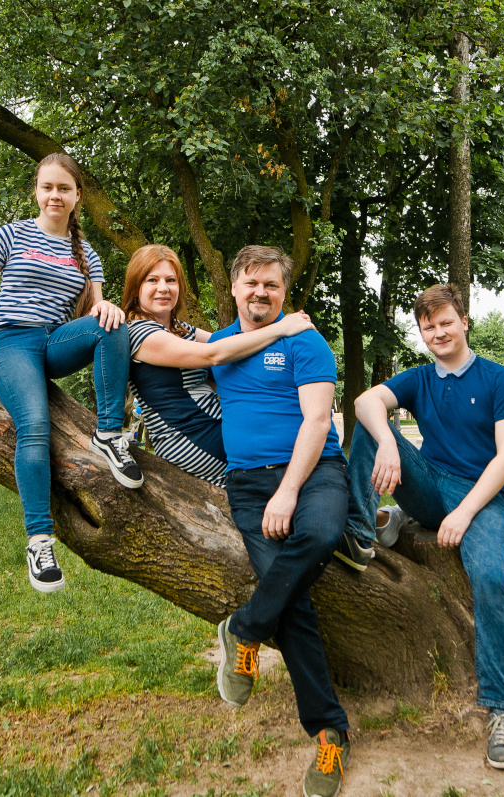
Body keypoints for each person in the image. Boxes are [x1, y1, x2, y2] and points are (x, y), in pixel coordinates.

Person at [0, 153, 141, 595]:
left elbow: (97, 311)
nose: (55, 195)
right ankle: (40, 540)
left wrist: (107, 306)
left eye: (64, 188)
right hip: (8, 343)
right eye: (47, 187)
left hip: (52, 342)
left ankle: (110, 432)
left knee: (114, 323)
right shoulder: (12, 234)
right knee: (35, 426)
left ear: (78, 197)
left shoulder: (87, 254)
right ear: (36, 192)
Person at [344, 284, 504, 770]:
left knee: (491, 580)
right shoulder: (420, 378)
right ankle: (360, 533)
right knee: (370, 422)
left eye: (445, 322)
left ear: (463, 322)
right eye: (428, 327)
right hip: (430, 481)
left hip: (484, 496)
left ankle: (501, 710)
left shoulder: (500, 380)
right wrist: (387, 440)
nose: (438, 333)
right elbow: (366, 401)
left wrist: (464, 512)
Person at [207, 245, 354, 797]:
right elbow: (166, 351)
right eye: (251, 283)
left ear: (284, 292)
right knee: (293, 607)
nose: (261, 293)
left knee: (320, 533)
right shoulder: (219, 344)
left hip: (314, 473)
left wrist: (289, 491)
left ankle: (243, 628)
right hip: (246, 482)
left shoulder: (307, 341)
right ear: (236, 287)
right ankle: (330, 732)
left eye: (271, 285)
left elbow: (318, 419)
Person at [118, 244, 315, 487]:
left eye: (171, 280)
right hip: (188, 437)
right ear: (136, 286)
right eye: (152, 280)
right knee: (284, 458)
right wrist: (283, 327)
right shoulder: (138, 332)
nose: (163, 288)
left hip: (214, 424)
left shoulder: (179, 329)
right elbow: (214, 354)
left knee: (299, 449)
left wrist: (295, 341)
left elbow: (228, 340)